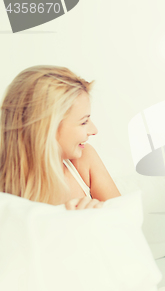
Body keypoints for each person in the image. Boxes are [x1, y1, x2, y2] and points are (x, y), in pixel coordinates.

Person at [0, 65, 120, 210]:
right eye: (83, 122)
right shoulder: (7, 190)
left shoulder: (84, 160)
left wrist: (98, 216)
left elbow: (127, 223)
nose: (94, 130)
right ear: (47, 129)